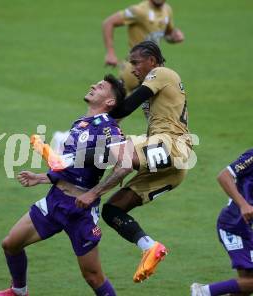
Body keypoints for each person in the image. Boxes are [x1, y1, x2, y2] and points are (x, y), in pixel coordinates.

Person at [0, 75, 127, 296]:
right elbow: (69, 165)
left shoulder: (108, 128)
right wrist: (43, 177)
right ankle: (19, 291)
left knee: (92, 276)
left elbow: (124, 165)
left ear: (109, 102)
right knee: (10, 244)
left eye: (100, 87)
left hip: (81, 211)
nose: (92, 86)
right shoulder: (80, 123)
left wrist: (94, 193)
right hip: (55, 201)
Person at [75, 40, 192, 283]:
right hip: (174, 168)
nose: (133, 68)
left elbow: (126, 107)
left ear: (152, 60)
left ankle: (64, 161)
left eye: (136, 62)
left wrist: (101, 108)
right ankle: (149, 247)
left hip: (172, 145)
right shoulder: (159, 81)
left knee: (119, 153)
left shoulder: (161, 73)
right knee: (112, 209)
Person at [102, 0, 184, 119]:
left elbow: (167, 34)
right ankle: (88, 132)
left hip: (153, 69)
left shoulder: (167, 10)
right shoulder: (139, 11)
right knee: (115, 112)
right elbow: (108, 22)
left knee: (157, 110)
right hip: (134, 70)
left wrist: (175, 37)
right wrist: (110, 53)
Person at [191, 149, 253, 296]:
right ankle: (203, 292)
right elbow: (224, 176)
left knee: (245, 285)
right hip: (235, 224)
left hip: (248, 227)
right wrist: (243, 204)